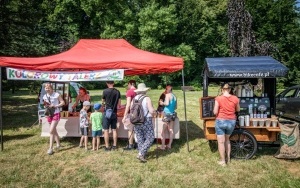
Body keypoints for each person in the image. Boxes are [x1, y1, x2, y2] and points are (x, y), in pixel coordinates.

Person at [213, 83, 240, 166]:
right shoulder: (235, 98)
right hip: (231, 121)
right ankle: (228, 158)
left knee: (221, 142)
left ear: (222, 90)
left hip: (220, 121)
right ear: (229, 89)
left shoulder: (218, 98)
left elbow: (215, 112)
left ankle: (223, 161)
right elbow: (238, 109)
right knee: (227, 140)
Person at [132, 83, 156, 163]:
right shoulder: (147, 98)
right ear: (145, 91)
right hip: (146, 120)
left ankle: (142, 153)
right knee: (150, 137)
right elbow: (151, 110)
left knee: (140, 137)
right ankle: (141, 153)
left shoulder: (134, 98)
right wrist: (154, 112)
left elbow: (131, 110)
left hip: (136, 120)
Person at [43, 83, 65, 155]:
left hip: (56, 113)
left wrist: (55, 106)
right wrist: (46, 107)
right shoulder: (44, 96)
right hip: (49, 114)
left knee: (51, 130)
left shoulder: (56, 94)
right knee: (54, 130)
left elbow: (63, 102)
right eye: (46, 88)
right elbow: (45, 104)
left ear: (52, 88)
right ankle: (58, 144)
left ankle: (50, 148)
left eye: (49, 87)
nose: (47, 89)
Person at [102, 81, 121, 151]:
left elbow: (103, 102)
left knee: (106, 130)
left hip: (107, 112)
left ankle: (107, 146)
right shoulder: (117, 92)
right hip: (114, 112)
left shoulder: (105, 91)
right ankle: (115, 145)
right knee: (114, 129)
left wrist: (104, 105)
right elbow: (119, 104)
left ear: (107, 83)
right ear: (113, 83)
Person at [158, 84, 177, 150]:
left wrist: (162, 103)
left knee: (163, 131)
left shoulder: (167, 95)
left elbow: (167, 103)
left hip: (167, 114)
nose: (165, 90)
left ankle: (162, 146)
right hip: (173, 114)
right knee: (171, 130)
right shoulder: (174, 96)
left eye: (166, 89)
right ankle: (169, 145)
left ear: (169, 89)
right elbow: (176, 107)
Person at [122, 80, 137, 150]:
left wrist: (124, 116)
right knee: (137, 129)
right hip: (138, 113)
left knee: (130, 129)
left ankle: (130, 145)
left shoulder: (129, 92)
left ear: (130, 84)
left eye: (128, 84)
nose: (128, 86)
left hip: (131, 113)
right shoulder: (138, 91)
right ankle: (137, 144)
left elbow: (128, 105)